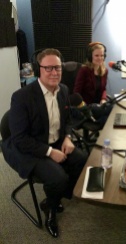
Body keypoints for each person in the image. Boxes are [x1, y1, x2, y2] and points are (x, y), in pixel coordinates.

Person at [2, 48, 88, 238]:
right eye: (48, 68)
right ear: (38, 69)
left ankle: (53, 198)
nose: (54, 72)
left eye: (57, 67)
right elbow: (20, 139)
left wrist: (67, 137)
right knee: (58, 178)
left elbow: (66, 121)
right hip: (28, 148)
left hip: (55, 140)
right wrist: (50, 152)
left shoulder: (63, 90)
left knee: (82, 160)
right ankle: (50, 210)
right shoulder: (22, 97)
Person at [73, 42, 113, 127]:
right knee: (112, 110)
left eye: (102, 55)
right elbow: (76, 92)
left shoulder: (104, 71)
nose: (100, 58)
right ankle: (94, 121)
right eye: (97, 55)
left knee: (112, 109)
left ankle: (97, 122)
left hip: (98, 105)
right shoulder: (84, 70)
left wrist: (103, 99)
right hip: (86, 107)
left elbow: (103, 89)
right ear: (90, 56)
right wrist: (84, 107)